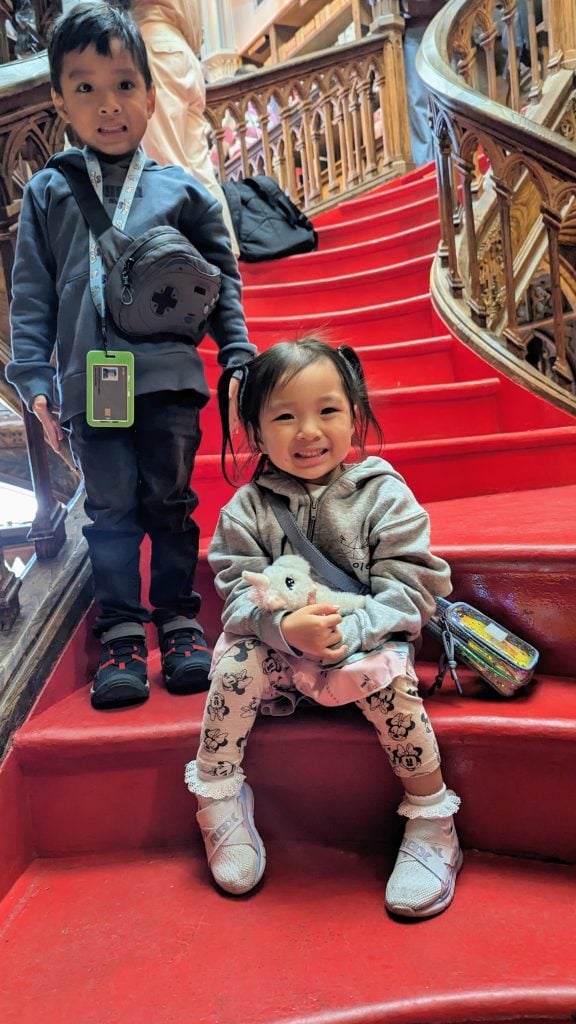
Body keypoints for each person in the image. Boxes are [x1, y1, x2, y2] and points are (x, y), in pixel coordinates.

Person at [6, 2, 256, 709]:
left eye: (123, 85)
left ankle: (179, 623)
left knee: (170, 503)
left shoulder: (183, 191)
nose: (107, 105)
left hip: (171, 380)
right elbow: (31, 297)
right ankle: (120, 633)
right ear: (57, 100)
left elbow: (221, 280)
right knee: (110, 512)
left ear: (152, 93)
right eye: (83, 87)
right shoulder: (51, 190)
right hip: (96, 384)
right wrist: (33, 377)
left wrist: (236, 351)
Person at [184, 338, 463, 918]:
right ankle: (220, 796)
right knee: (232, 664)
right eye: (285, 416)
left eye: (328, 410)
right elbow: (234, 597)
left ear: (354, 415)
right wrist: (284, 628)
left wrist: (349, 631)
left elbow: (411, 591)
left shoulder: (384, 495)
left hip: (361, 652)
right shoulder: (246, 510)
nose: (308, 431)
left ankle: (433, 816)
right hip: (279, 658)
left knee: (392, 683)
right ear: (256, 434)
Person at [129, 0, 240, 255]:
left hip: (153, 41)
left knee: (167, 163)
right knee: (197, 163)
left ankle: (193, 260)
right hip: (182, 47)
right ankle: (225, 252)